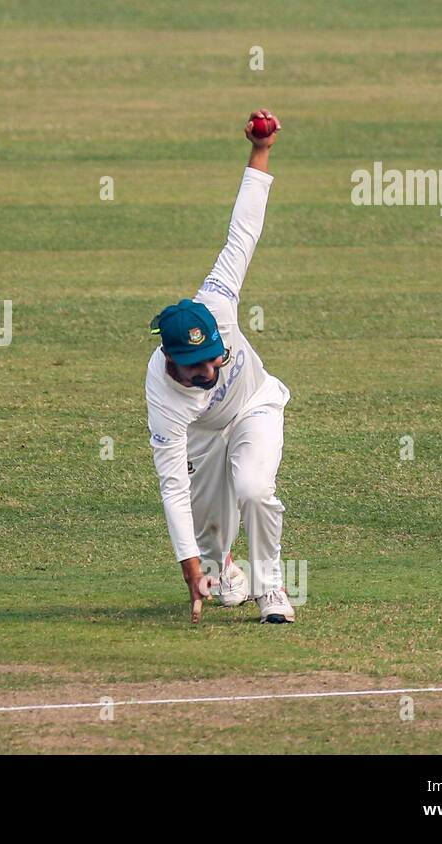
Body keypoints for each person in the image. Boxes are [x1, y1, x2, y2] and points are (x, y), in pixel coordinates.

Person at [146, 109, 295, 624]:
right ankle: (222, 569)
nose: (208, 369)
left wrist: (261, 151)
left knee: (254, 488)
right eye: (194, 366)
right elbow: (172, 487)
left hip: (255, 405)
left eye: (212, 355)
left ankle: (271, 588)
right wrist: (190, 568)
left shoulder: (219, 302)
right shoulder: (164, 397)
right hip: (203, 432)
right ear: (170, 360)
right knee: (211, 539)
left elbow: (243, 231)